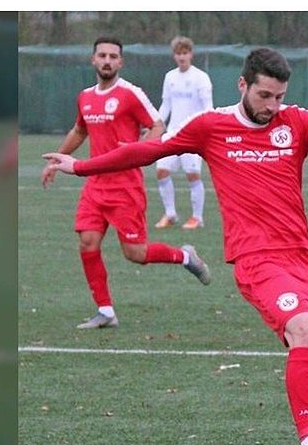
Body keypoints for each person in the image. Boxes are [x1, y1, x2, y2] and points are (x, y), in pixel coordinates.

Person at [43, 48, 308, 445]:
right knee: (304, 330)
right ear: (242, 85)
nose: (271, 106)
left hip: (304, 257)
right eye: (264, 96)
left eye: (278, 97)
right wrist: (81, 165)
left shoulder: (293, 122)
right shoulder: (211, 127)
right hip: (257, 260)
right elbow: (148, 150)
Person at [43, 36, 211, 330]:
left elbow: (157, 125)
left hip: (125, 187)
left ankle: (185, 256)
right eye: (102, 55)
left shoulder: (130, 94)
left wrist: (143, 149)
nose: (107, 61)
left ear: (120, 62)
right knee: (87, 242)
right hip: (95, 184)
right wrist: (57, 160)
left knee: (136, 253)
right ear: (93, 60)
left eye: (113, 56)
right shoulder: (85, 97)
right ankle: (105, 311)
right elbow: (79, 131)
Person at [154, 36, 214, 230]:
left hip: (193, 135)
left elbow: (208, 108)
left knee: (192, 175)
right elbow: (166, 104)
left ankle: (197, 217)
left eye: (185, 53)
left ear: (191, 54)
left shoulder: (201, 78)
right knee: (161, 171)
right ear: (174, 56)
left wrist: (205, 132)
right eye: (178, 53)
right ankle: (170, 214)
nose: (182, 57)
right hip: (172, 133)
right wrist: (156, 124)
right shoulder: (170, 77)